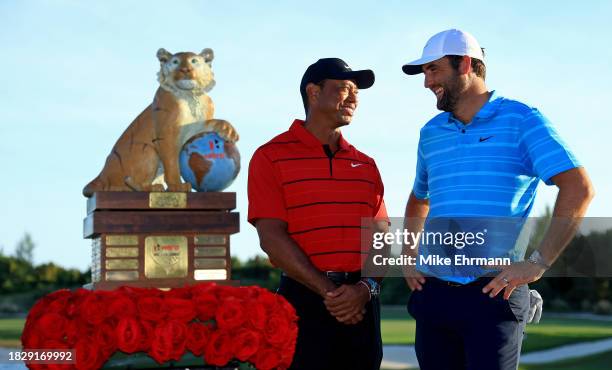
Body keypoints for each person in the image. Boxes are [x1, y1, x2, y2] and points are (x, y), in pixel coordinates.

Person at [400, 29, 594, 370]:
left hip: (493, 295)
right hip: (434, 295)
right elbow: (419, 199)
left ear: (465, 64)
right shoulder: (430, 132)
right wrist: (407, 256)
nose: (427, 82)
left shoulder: (522, 119)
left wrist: (537, 263)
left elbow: (579, 187)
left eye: (433, 70)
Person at [248, 58, 389, 370]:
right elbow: (271, 237)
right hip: (303, 301)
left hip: (362, 305)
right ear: (313, 92)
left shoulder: (367, 165)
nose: (353, 98)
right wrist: (332, 293)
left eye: (357, 92)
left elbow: (382, 240)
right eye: (344, 89)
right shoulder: (270, 156)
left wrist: (364, 291)